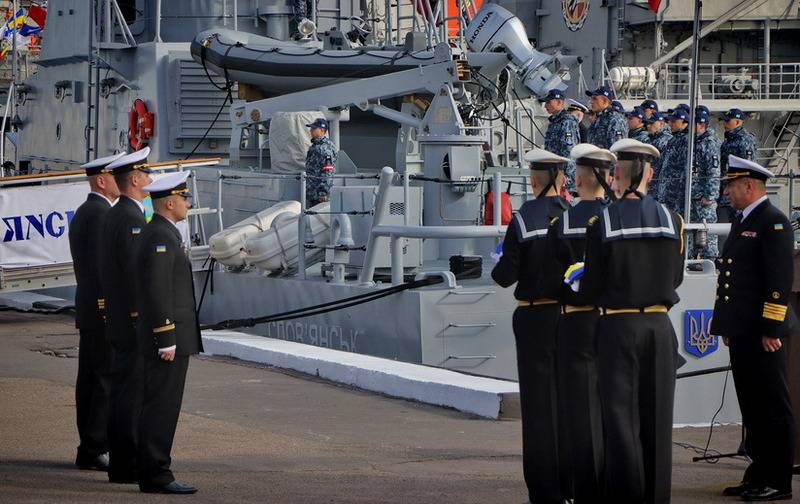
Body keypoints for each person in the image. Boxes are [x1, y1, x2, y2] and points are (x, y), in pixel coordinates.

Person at [578, 139, 684, 504]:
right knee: (657, 422)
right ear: (650, 174)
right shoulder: (673, 220)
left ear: (617, 174)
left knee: (621, 421)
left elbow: (591, 285)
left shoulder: (602, 222)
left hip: (618, 328)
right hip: (658, 327)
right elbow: (676, 279)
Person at [711, 156, 795, 502]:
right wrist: (728, 325)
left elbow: (778, 283)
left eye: (731, 186)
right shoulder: (743, 220)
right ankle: (757, 474)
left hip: (764, 334)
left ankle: (778, 480)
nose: (727, 192)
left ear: (749, 186)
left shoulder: (773, 222)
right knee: (752, 407)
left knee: (773, 407)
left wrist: (772, 328)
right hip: (744, 331)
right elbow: (733, 281)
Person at [491, 149, 568, 504]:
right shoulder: (572, 216)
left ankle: (543, 492)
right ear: (563, 180)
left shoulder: (523, 218)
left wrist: (498, 262)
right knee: (570, 404)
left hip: (534, 316)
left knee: (539, 410)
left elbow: (505, 276)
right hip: (569, 317)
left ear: (535, 181)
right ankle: (572, 486)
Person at [549, 143, 614, 504]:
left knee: (578, 409)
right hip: (612, 322)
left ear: (579, 179)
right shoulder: (616, 216)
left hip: (575, 322)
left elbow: (552, 273)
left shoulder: (565, 220)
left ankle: (580, 488)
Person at [135, 171, 203, 494]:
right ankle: (156, 474)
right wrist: (166, 337)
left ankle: (153, 469)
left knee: (162, 405)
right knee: (161, 406)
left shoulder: (164, 232)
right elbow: (158, 290)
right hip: (167, 339)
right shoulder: (160, 236)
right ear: (170, 202)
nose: (189, 202)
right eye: (184, 197)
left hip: (172, 337)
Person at [68, 152, 125, 472]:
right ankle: (94, 446)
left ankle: (90, 446)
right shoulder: (102, 214)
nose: (122, 182)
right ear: (102, 181)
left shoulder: (85, 212)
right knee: (102, 380)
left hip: (90, 309)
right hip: (102, 311)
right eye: (116, 177)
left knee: (91, 378)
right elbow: (106, 270)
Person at [101, 147, 153, 484]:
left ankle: (122, 462)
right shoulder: (131, 218)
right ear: (134, 179)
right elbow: (136, 275)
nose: (150, 179)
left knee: (123, 390)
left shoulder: (116, 213)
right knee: (131, 394)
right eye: (146, 174)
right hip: (131, 320)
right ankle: (127, 462)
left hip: (118, 317)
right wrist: (141, 316)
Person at [688, 110, 721, 258]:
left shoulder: (710, 143)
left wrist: (709, 196)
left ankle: (711, 262)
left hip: (703, 198)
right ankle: (694, 261)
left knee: (708, 233)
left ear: (701, 124)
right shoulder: (694, 142)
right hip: (693, 196)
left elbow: (714, 171)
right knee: (692, 232)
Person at [718, 108, 757, 223]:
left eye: (728, 121)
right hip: (727, 192)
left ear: (738, 122)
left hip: (740, 192)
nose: (725, 124)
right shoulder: (728, 141)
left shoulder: (745, 140)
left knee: (741, 225)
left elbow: (748, 167)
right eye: (724, 121)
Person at [540, 89, 581, 194]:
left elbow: (569, 150)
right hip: (554, 175)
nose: (545, 106)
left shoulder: (567, 121)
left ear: (559, 102)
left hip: (564, 180)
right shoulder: (555, 122)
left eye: (549, 102)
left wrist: (566, 176)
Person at [657, 107, 691, 211]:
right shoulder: (673, 139)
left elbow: (685, 167)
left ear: (683, 121)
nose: (670, 124)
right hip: (668, 191)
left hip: (678, 192)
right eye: (670, 121)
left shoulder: (687, 140)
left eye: (673, 121)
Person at [305, 118, 337, 207]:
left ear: (322, 130)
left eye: (314, 128)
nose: (311, 130)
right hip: (313, 193)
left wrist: (323, 193)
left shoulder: (325, 148)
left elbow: (328, 171)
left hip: (320, 196)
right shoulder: (315, 146)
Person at [645, 111, 672, 187]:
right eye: (647, 123)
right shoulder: (650, 139)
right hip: (651, 182)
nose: (648, 126)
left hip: (660, 183)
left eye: (651, 123)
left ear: (661, 124)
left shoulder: (666, 139)